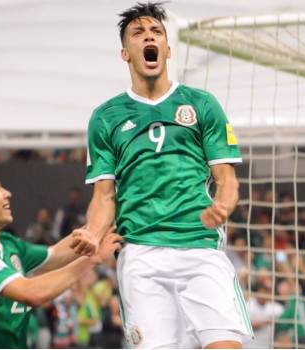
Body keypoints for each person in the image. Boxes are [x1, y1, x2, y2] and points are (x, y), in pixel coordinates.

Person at [78, 2, 252, 348]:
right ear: (126, 53)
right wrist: (93, 231)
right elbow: (103, 195)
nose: (149, 37)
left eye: (156, 32)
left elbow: (227, 178)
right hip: (141, 255)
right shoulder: (105, 117)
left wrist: (223, 204)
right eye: (138, 33)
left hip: (200, 247)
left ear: (167, 49)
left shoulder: (202, 104)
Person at [0, 162, 121, 348]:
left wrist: (96, 229)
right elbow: (32, 293)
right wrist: (91, 260)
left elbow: (55, 254)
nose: (8, 193)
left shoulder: (8, 244)